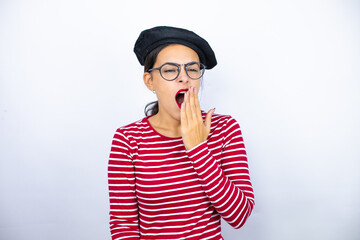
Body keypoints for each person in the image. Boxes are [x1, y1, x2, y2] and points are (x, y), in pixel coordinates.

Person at [108, 26, 255, 240]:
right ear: (150, 81)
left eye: (192, 69)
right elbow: (124, 226)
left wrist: (198, 149)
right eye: (170, 70)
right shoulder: (128, 139)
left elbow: (239, 216)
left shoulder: (225, 129)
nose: (184, 78)